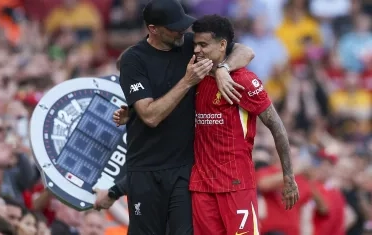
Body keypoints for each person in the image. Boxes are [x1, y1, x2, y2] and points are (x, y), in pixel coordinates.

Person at [114, 15, 299, 235]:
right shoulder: (194, 78)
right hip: (201, 187)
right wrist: (133, 113)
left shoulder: (243, 81)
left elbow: (276, 125)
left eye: (203, 45)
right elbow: (160, 96)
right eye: (195, 45)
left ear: (222, 45)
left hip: (236, 184)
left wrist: (289, 176)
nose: (197, 50)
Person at [93, 0, 255, 234]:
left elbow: (244, 50)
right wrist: (188, 81)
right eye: (174, 27)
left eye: (183, 24)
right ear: (153, 29)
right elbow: (150, 116)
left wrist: (223, 69)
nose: (182, 30)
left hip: (184, 169)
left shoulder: (190, 44)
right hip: (145, 171)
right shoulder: (134, 60)